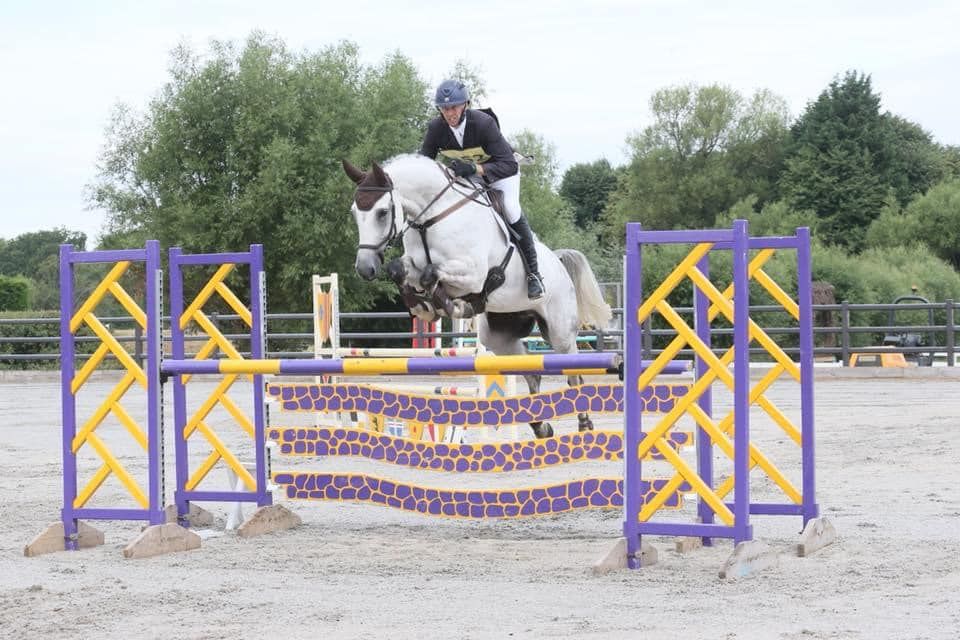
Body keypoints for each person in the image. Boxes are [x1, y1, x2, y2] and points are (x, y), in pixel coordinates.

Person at [419, 79, 545, 300]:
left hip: (501, 173)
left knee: (510, 208)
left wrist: (475, 168)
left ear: (465, 104)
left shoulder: (484, 123)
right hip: (470, 177)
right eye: (445, 108)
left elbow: (509, 164)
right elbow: (423, 164)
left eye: (454, 107)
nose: (450, 113)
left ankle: (534, 275)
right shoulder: (436, 128)